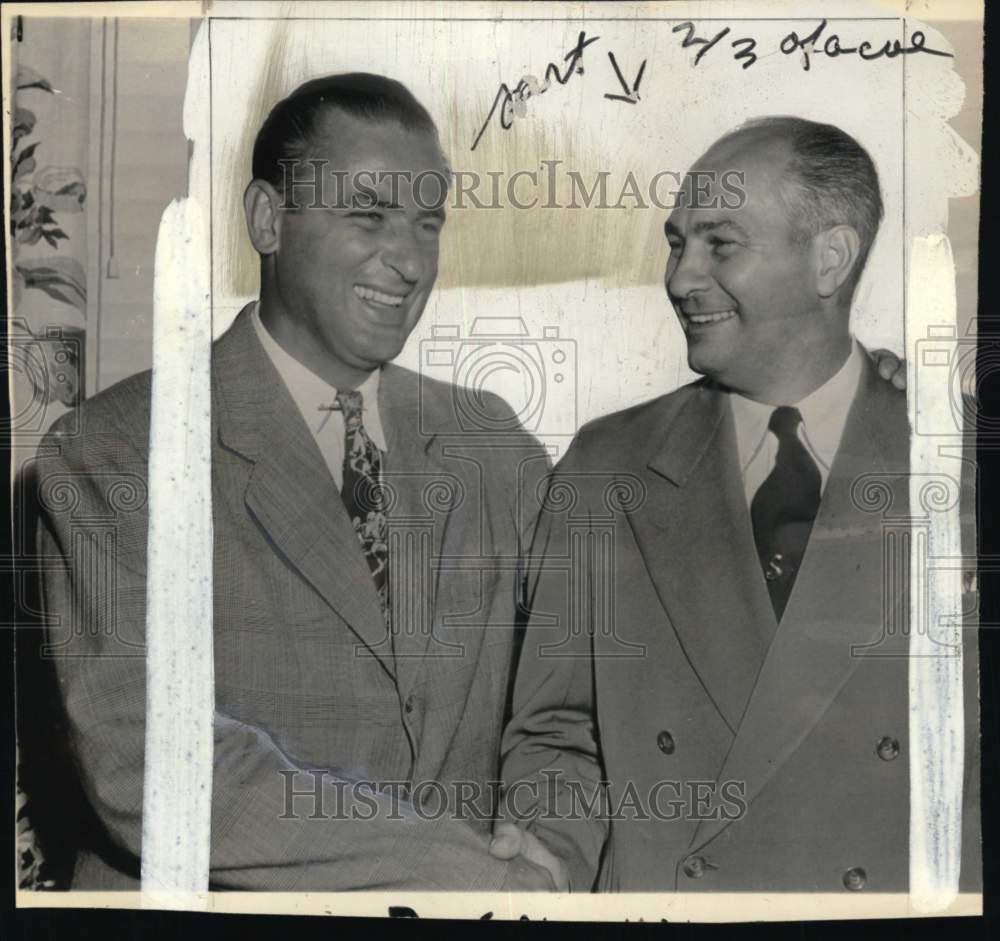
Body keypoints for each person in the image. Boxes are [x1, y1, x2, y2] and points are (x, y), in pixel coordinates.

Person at [30, 73, 558, 891]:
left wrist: (551, 850)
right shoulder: (112, 450)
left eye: (428, 223)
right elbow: (154, 765)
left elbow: (577, 685)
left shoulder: (491, 441)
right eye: (369, 215)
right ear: (268, 220)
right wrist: (473, 875)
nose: (411, 259)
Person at [495, 116, 979, 892]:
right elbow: (560, 730)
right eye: (677, 242)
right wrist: (548, 853)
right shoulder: (605, 465)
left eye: (721, 244)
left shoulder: (960, 466)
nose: (681, 277)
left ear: (830, 259)